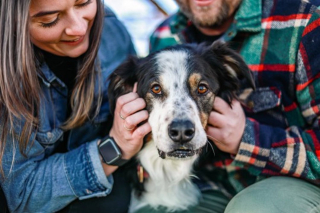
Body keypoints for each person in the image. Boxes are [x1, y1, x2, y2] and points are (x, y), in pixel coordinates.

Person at [145, 0, 320, 212]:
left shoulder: (308, 19)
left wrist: (246, 138)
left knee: (252, 207)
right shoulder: (163, 35)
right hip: (211, 185)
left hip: (298, 187)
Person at [0, 0, 151, 212]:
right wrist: (114, 148)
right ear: (12, 22)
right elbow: (23, 195)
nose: (79, 28)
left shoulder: (111, 30)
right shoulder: (6, 79)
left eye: (84, 3)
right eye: (49, 20)